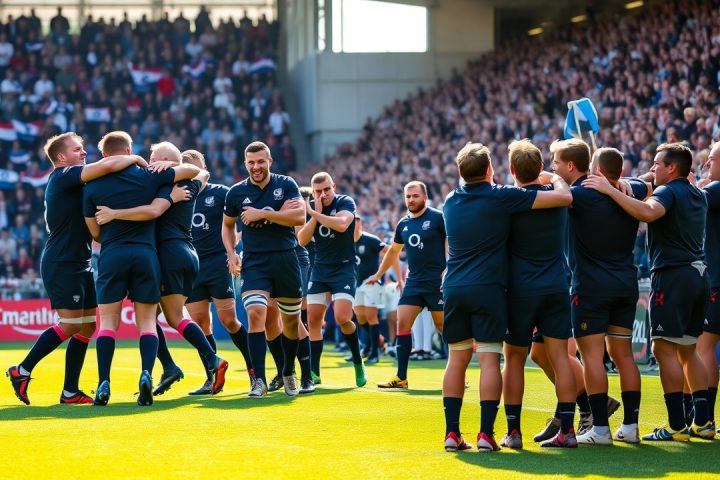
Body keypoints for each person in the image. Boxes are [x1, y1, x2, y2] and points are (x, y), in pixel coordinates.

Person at [441, 142, 571, 453]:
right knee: (503, 359)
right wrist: (554, 177)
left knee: (460, 360)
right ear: (490, 169)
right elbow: (564, 197)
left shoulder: (449, 200)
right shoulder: (503, 197)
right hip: (515, 287)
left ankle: (461, 433)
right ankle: (490, 434)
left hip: (461, 287)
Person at [583, 142, 715, 440]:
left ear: (672, 167)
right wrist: (623, 183)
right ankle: (704, 422)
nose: (652, 168)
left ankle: (676, 426)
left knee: (662, 348)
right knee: (688, 349)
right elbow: (648, 188)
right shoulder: (697, 192)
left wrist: (611, 191)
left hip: (672, 276)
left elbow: (648, 212)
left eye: (657, 163)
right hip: (699, 274)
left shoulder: (667, 191)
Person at [7, 132, 147, 405]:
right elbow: (108, 165)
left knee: (87, 326)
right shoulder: (63, 174)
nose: (83, 152)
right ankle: (21, 370)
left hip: (80, 262)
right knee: (70, 325)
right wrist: (137, 159)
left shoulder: (73, 180)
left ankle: (70, 391)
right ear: (61, 157)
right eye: (77, 149)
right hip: (62, 262)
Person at [93, 143, 230, 398]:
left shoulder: (162, 184)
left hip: (167, 254)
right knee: (153, 316)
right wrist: (176, 166)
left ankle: (211, 359)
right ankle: (169, 367)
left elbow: (154, 210)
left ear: (165, 160)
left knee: (170, 317)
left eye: (154, 158)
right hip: (188, 252)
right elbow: (202, 173)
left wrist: (114, 213)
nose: (149, 161)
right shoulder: (190, 183)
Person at [82, 131, 204, 406]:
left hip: (112, 255)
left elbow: (95, 233)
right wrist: (168, 165)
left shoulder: (91, 186)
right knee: (147, 322)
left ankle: (103, 383)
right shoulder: (149, 175)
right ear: (129, 151)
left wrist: (113, 226)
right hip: (146, 255)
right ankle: (147, 374)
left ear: (104, 156)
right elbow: (194, 170)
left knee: (108, 323)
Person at [550, 141, 647, 445]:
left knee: (592, 356)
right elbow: (648, 181)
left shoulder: (579, 194)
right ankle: (631, 426)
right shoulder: (631, 190)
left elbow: (556, 193)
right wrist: (621, 182)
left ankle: (601, 429)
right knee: (624, 355)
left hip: (591, 287)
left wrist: (550, 177)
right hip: (625, 284)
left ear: (598, 171)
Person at [500, 139, 577, 449]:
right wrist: (554, 177)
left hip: (520, 290)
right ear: (541, 167)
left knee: (513, 360)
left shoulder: (509, 199)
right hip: (556, 286)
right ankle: (568, 431)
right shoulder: (558, 196)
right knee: (562, 358)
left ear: (512, 169)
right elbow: (565, 192)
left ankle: (513, 432)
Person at [222, 141, 305, 397]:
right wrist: (231, 254)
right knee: (256, 313)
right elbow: (227, 225)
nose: (256, 167)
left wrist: (262, 213)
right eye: (251, 162)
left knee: (291, 322)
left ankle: (288, 371)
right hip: (255, 261)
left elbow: (299, 217)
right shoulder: (236, 192)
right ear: (245, 164)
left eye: (261, 161)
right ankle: (258, 380)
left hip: (286, 258)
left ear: (270, 161)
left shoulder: (286, 184)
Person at [367, 181, 442, 389]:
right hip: (414, 283)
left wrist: (450, 269)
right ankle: (401, 377)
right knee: (402, 324)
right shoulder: (403, 224)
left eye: (415, 196)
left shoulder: (438, 218)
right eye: (408, 196)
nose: (411, 200)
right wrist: (378, 274)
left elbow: (451, 243)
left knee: (443, 326)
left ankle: (458, 373)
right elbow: (393, 251)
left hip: (436, 283)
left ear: (425, 197)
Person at [297, 172, 366, 387]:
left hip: (344, 268)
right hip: (320, 269)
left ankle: (358, 361)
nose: (323, 194)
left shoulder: (345, 202)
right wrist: (314, 214)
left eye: (327, 189)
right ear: (313, 192)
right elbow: (302, 239)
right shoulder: (311, 208)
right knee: (313, 320)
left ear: (333, 187)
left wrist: (315, 214)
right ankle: (315, 372)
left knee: (343, 317)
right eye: (318, 191)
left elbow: (342, 225)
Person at [697, 142, 720, 430]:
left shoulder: (715, 190)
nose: (706, 164)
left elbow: (690, 201)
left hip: (717, 282)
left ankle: (705, 417)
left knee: (703, 347)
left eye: (711, 159)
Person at [353, 214, 397, 364]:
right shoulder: (345, 242)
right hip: (355, 283)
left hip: (371, 283)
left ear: (360, 224)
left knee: (371, 316)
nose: (354, 226)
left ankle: (374, 353)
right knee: (360, 317)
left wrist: (380, 274)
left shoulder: (370, 240)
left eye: (356, 223)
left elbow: (391, 252)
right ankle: (378, 342)